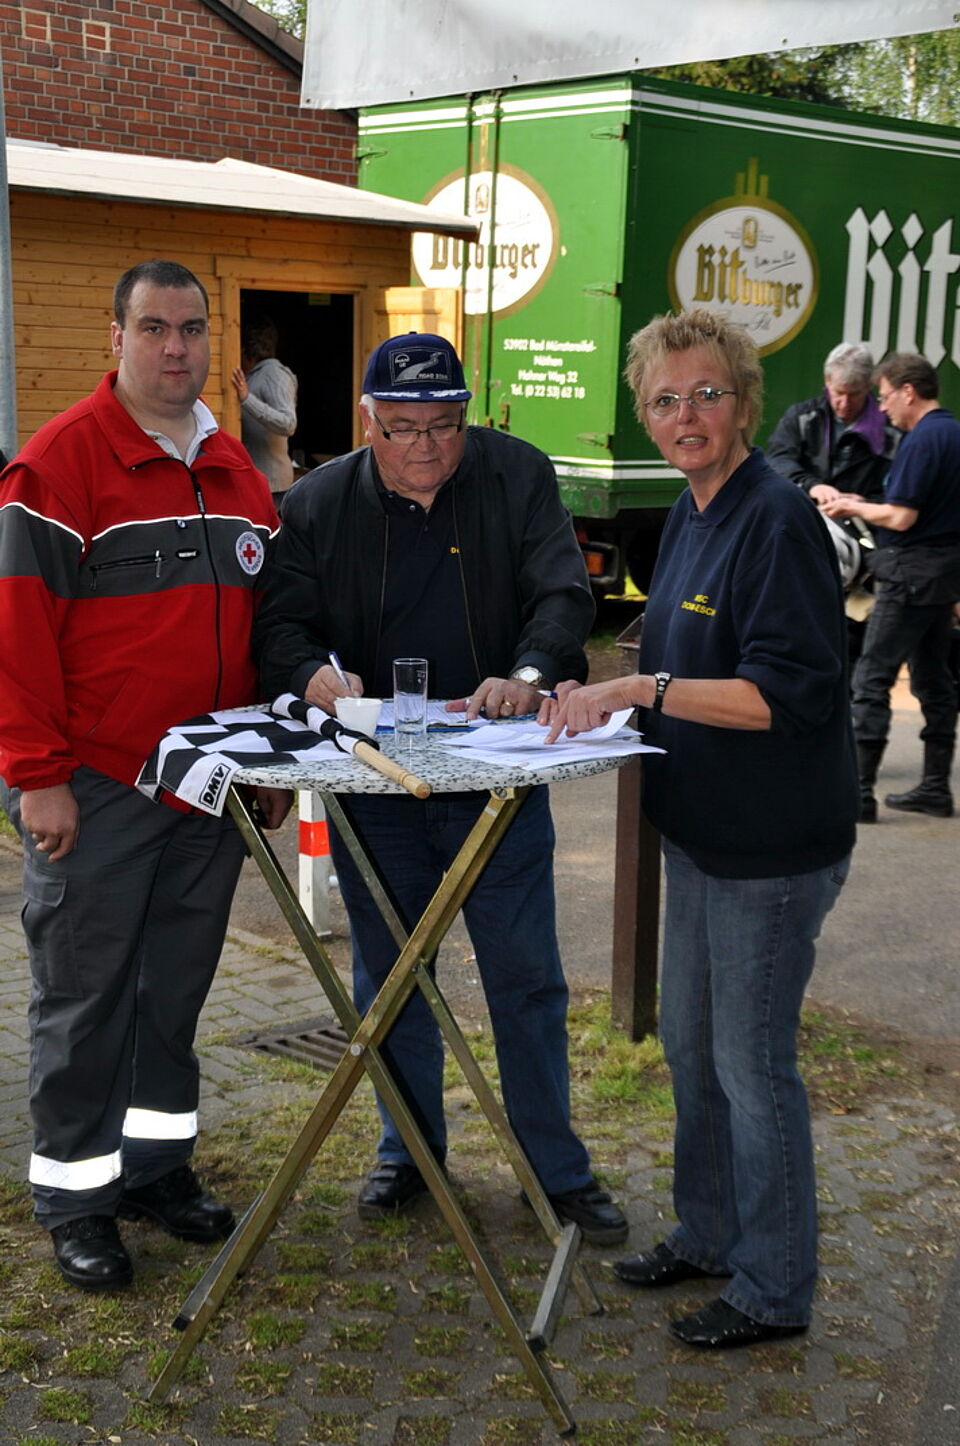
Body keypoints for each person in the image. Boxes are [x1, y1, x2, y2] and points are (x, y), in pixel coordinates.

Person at [252, 331, 628, 1246]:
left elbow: (563, 598)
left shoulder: (516, 475)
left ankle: (554, 1170)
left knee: (526, 978)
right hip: (376, 787)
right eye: (402, 428)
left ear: (468, 416)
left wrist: (531, 673)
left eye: (444, 425)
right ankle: (408, 1153)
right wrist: (313, 677)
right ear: (367, 422)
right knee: (391, 980)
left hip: (496, 780)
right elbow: (280, 626)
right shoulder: (318, 502)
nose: (424, 446)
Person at [546, 308, 857, 1348]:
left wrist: (643, 688)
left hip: (771, 851)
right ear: (645, 415)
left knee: (751, 1066)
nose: (688, 416)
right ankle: (711, 1232)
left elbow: (786, 695)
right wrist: (578, 698)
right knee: (689, 1045)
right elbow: (669, 650)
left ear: (745, 404)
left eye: (707, 395)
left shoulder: (776, 520)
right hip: (700, 836)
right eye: (666, 399)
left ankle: (774, 1287)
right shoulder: (691, 510)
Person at [0, 259, 290, 1292]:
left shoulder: (236, 468)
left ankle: (155, 1169)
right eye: (155, 327)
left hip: (209, 786)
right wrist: (37, 777)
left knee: (173, 990)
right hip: (98, 786)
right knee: (85, 999)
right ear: (115, 337)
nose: (176, 347)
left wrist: (267, 759)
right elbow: (17, 637)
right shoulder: (58, 466)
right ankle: (76, 1199)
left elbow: (266, 633)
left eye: (192, 328)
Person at [821, 353, 960, 821]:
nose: (881, 408)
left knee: (871, 679)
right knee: (934, 681)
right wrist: (869, 501)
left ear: (908, 391)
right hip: (944, 576)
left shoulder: (922, 439)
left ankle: (858, 794)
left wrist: (849, 507)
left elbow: (902, 517)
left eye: (884, 397)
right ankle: (935, 788)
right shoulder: (954, 433)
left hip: (908, 576)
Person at [766, 341, 899, 661]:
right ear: (827, 382)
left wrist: (863, 502)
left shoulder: (891, 431)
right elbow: (776, 462)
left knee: (851, 644)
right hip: (804, 530)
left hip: (865, 546)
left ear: (869, 387)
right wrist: (812, 486)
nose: (843, 403)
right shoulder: (802, 418)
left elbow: (901, 491)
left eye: (854, 394)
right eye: (838, 392)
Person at [231, 317, 298, 500]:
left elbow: (288, 423)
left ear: (244, 350)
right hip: (256, 481)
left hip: (273, 486)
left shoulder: (274, 374)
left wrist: (247, 400)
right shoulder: (254, 376)